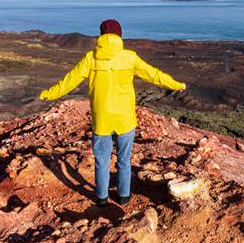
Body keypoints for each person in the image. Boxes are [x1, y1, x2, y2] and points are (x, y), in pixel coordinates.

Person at [39, 19, 186, 206]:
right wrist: (177, 84)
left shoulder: (90, 58)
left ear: (101, 36)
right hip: (125, 119)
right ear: (119, 36)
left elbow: (69, 81)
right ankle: (124, 197)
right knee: (124, 160)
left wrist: (48, 94)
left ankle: (101, 198)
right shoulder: (130, 57)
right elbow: (154, 75)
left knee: (101, 160)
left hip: (102, 119)